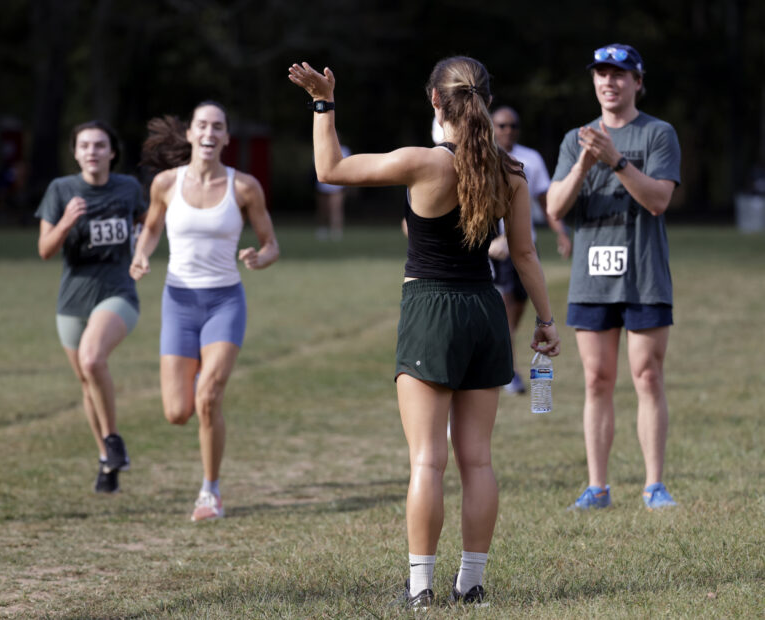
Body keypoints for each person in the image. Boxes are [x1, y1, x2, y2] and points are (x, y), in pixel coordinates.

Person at [288, 57, 560, 608]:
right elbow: (526, 255)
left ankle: (420, 590)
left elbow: (330, 169)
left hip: (431, 312)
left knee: (426, 461)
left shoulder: (421, 162)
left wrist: (323, 103)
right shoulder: (511, 172)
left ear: (436, 100)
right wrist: (547, 322)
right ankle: (474, 584)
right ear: (485, 98)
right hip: (486, 312)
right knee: (477, 460)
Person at [130, 101, 279, 522]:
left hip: (223, 301)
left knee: (208, 399)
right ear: (191, 134)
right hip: (178, 302)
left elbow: (271, 244)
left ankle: (209, 493)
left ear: (227, 137)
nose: (210, 133)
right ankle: (197, 379)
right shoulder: (165, 184)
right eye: (202, 125)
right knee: (177, 412)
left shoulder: (244, 187)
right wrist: (141, 255)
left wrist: (260, 258)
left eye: (218, 126)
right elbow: (153, 226)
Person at [547, 44, 681, 511]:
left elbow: (658, 201)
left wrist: (618, 161)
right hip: (592, 278)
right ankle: (597, 487)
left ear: (637, 82)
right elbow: (555, 208)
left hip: (644, 275)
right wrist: (586, 162)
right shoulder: (574, 140)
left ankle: (654, 485)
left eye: (620, 74)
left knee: (647, 375)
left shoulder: (659, 134)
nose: (610, 82)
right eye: (601, 74)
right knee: (596, 380)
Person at [36, 120, 147, 493]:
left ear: (111, 152)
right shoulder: (61, 190)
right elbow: (45, 251)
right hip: (72, 300)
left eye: (99, 145)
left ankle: (113, 439)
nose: (92, 152)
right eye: (84, 146)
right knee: (87, 383)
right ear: (75, 152)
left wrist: (142, 251)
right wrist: (66, 221)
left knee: (92, 360)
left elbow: (151, 223)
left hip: (117, 292)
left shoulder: (129, 188)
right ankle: (106, 460)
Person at [490, 105, 572, 394]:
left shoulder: (530, 159)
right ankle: (508, 371)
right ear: (492, 126)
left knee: (515, 312)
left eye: (512, 126)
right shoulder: (479, 156)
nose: (507, 131)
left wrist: (562, 232)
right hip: (491, 249)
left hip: (523, 246)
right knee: (501, 309)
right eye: (501, 125)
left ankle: (504, 365)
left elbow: (546, 203)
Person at [315, 142, 351, 241]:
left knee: (336, 209)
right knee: (323, 209)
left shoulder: (344, 150)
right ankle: (322, 230)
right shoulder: (321, 148)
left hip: (337, 186)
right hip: (323, 185)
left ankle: (336, 231)